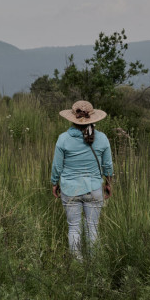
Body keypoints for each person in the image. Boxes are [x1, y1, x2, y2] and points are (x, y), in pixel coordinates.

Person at [51, 100, 114, 261]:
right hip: (94, 189)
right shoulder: (102, 138)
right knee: (92, 228)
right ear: (92, 118)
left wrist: (54, 183)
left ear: (72, 118)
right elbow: (108, 165)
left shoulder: (63, 139)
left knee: (74, 228)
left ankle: (77, 266)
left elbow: (57, 166)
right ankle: (94, 265)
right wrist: (108, 183)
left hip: (70, 189)